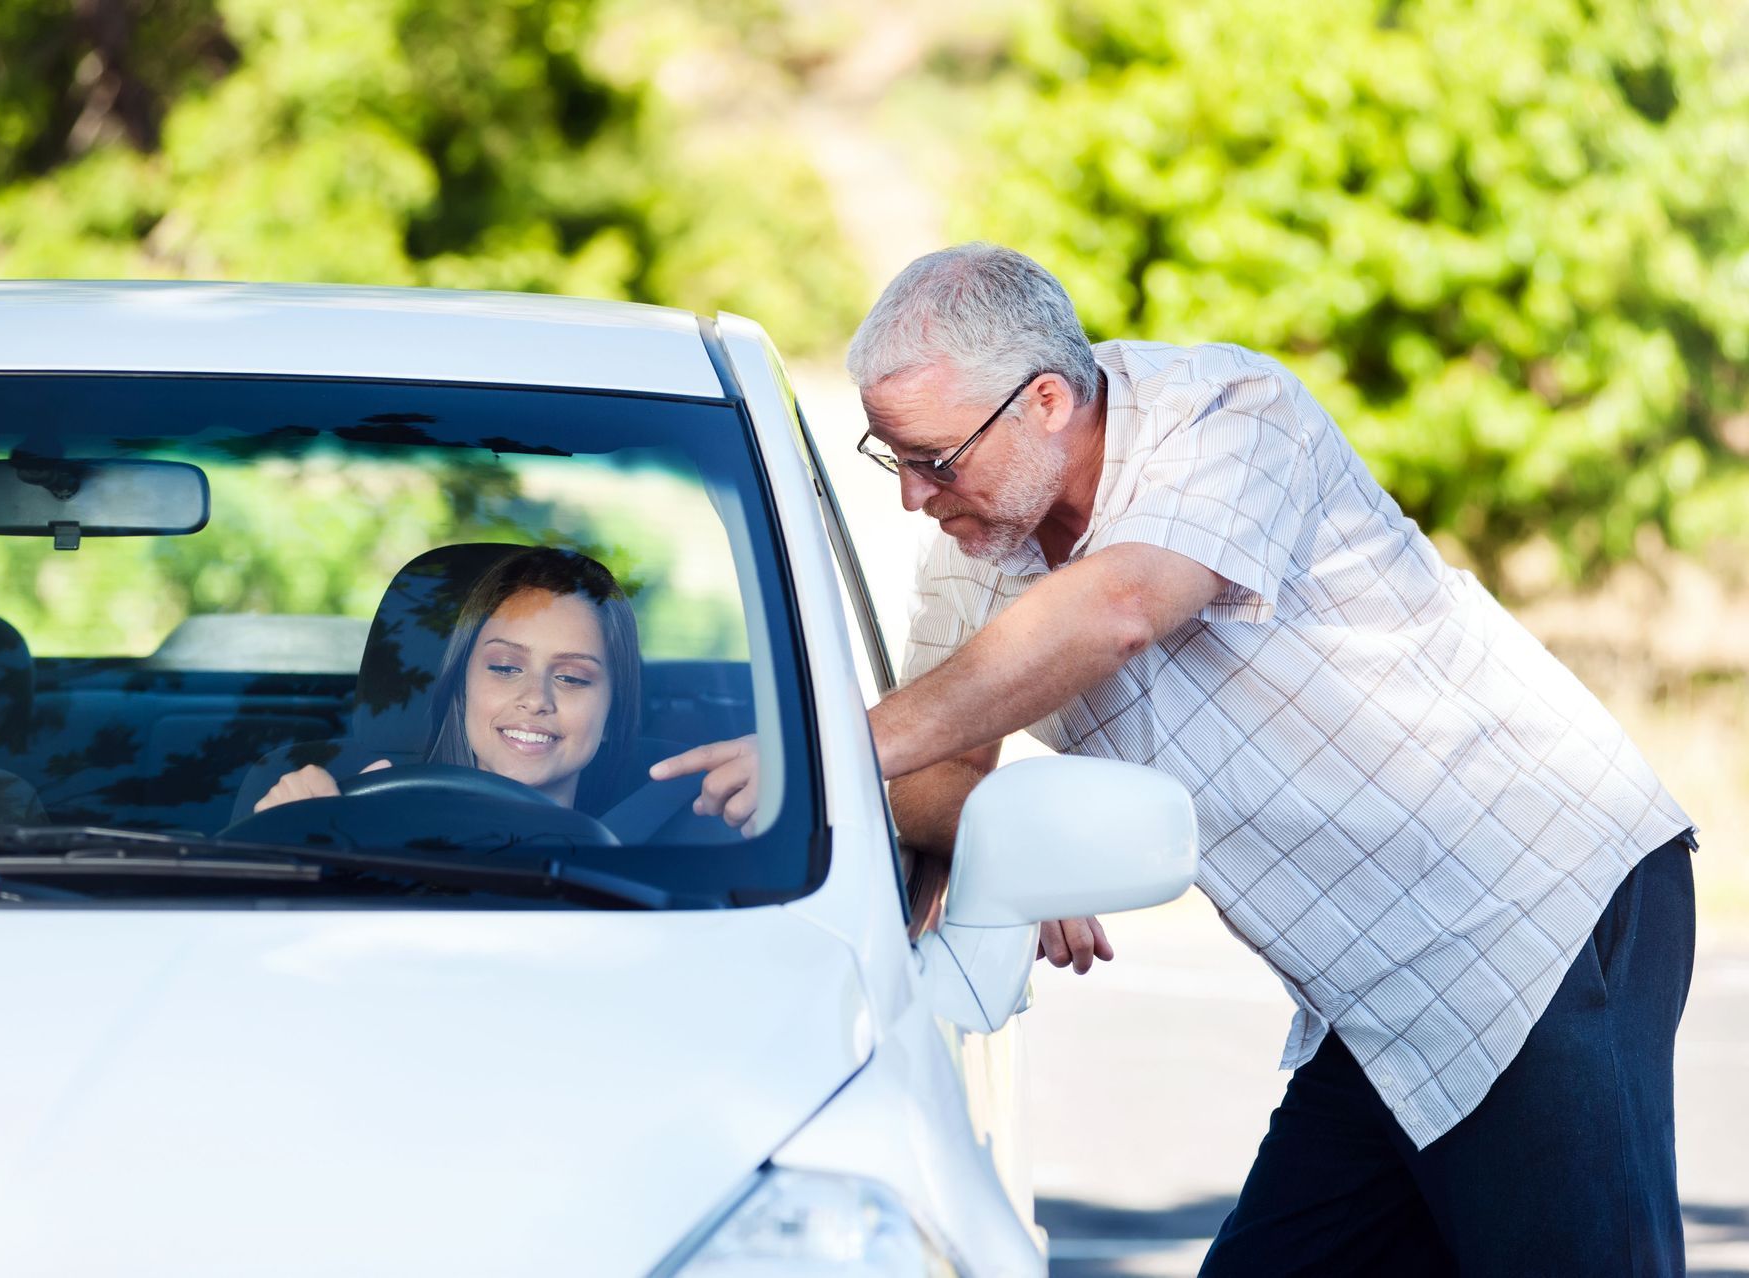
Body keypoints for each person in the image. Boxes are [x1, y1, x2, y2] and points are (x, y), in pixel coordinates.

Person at [654, 243, 1697, 1276]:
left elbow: (1118, 608)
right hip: (1373, 995)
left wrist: (822, 744)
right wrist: (1006, 841)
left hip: (1534, 908)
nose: (914, 498)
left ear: (1048, 404)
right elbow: (932, 772)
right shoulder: (978, 553)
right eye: (894, 461)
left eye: (934, 461)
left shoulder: (1233, 414)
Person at [258, 546, 641, 813]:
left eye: (572, 677)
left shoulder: (662, 848)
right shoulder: (355, 822)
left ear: (612, 712)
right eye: (506, 668)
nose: (535, 698)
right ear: (462, 688)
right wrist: (288, 842)